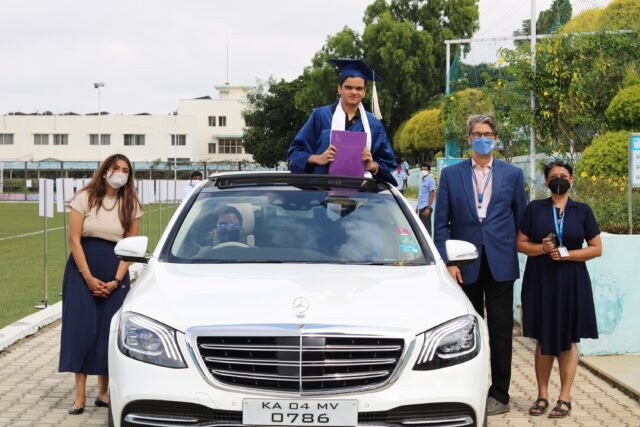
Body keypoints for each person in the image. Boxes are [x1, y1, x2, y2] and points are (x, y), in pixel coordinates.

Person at [433, 114, 527, 416]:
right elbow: (441, 224)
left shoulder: (512, 175)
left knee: (500, 331)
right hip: (463, 265)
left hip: (500, 264)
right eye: (477, 133)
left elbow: (521, 219)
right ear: (468, 138)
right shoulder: (451, 175)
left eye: (488, 133)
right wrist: (448, 261)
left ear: (496, 139)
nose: (483, 138)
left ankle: (499, 393)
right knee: (464, 332)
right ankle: (463, 390)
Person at [58, 154, 143, 415]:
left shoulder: (131, 204)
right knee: (81, 329)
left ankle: (104, 393)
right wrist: (87, 276)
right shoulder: (84, 197)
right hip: (82, 269)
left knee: (109, 331)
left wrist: (117, 280)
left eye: (125, 170)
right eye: (115, 168)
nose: (120, 173)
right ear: (104, 171)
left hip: (115, 269)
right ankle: (80, 396)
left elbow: (131, 246)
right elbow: (74, 239)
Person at [516, 160, 601, 419]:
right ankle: (542, 395)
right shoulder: (534, 209)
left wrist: (569, 255)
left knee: (568, 340)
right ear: (546, 181)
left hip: (572, 280)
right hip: (541, 280)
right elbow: (520, 244)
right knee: (543, 339)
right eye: (553, 176)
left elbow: (596, 248)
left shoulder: (582, 210)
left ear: (571, 179)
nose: (559, 179)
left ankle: (564, 398)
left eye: (563, 175)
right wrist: (541, 248)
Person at [288, 58, 397, 184]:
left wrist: (371, 165)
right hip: (320, 195)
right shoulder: (320, 116)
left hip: (361, 196)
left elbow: (388, 164)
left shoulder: (373, 124)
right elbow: (295, 152)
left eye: (359, 88)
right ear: (339, 89)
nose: (354, 92)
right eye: (348, 87)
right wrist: (318, 158)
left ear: (365, 92)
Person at [416, 162, 435, 235]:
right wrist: (417, 207)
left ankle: (428, 245)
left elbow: (432, 193)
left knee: (426, 228)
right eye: (422, 169)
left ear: (429, 171)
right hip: (421, 206)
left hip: (426, 207)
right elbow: (420, 194)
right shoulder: (421, 180)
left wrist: (428, 208)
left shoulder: (430, 180)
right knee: (422, 227)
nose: (423, 171)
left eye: (425, 169)